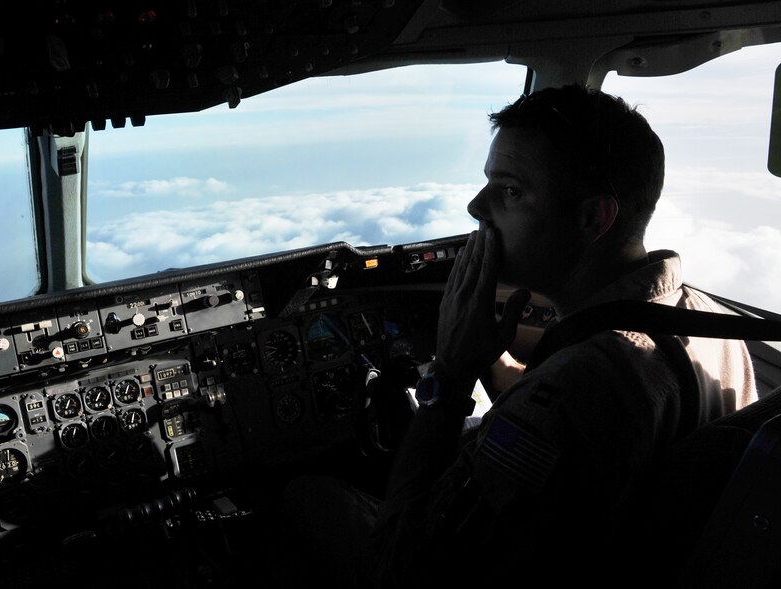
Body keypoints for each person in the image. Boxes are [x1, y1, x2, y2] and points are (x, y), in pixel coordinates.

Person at [277, 83, 757, 587]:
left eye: (510, 190)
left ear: (593, 217)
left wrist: (451, 379)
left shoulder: (578, 391)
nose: (475, 206)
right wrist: (506, 370)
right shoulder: (705, 320)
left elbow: (402, 567)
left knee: (306, 494)